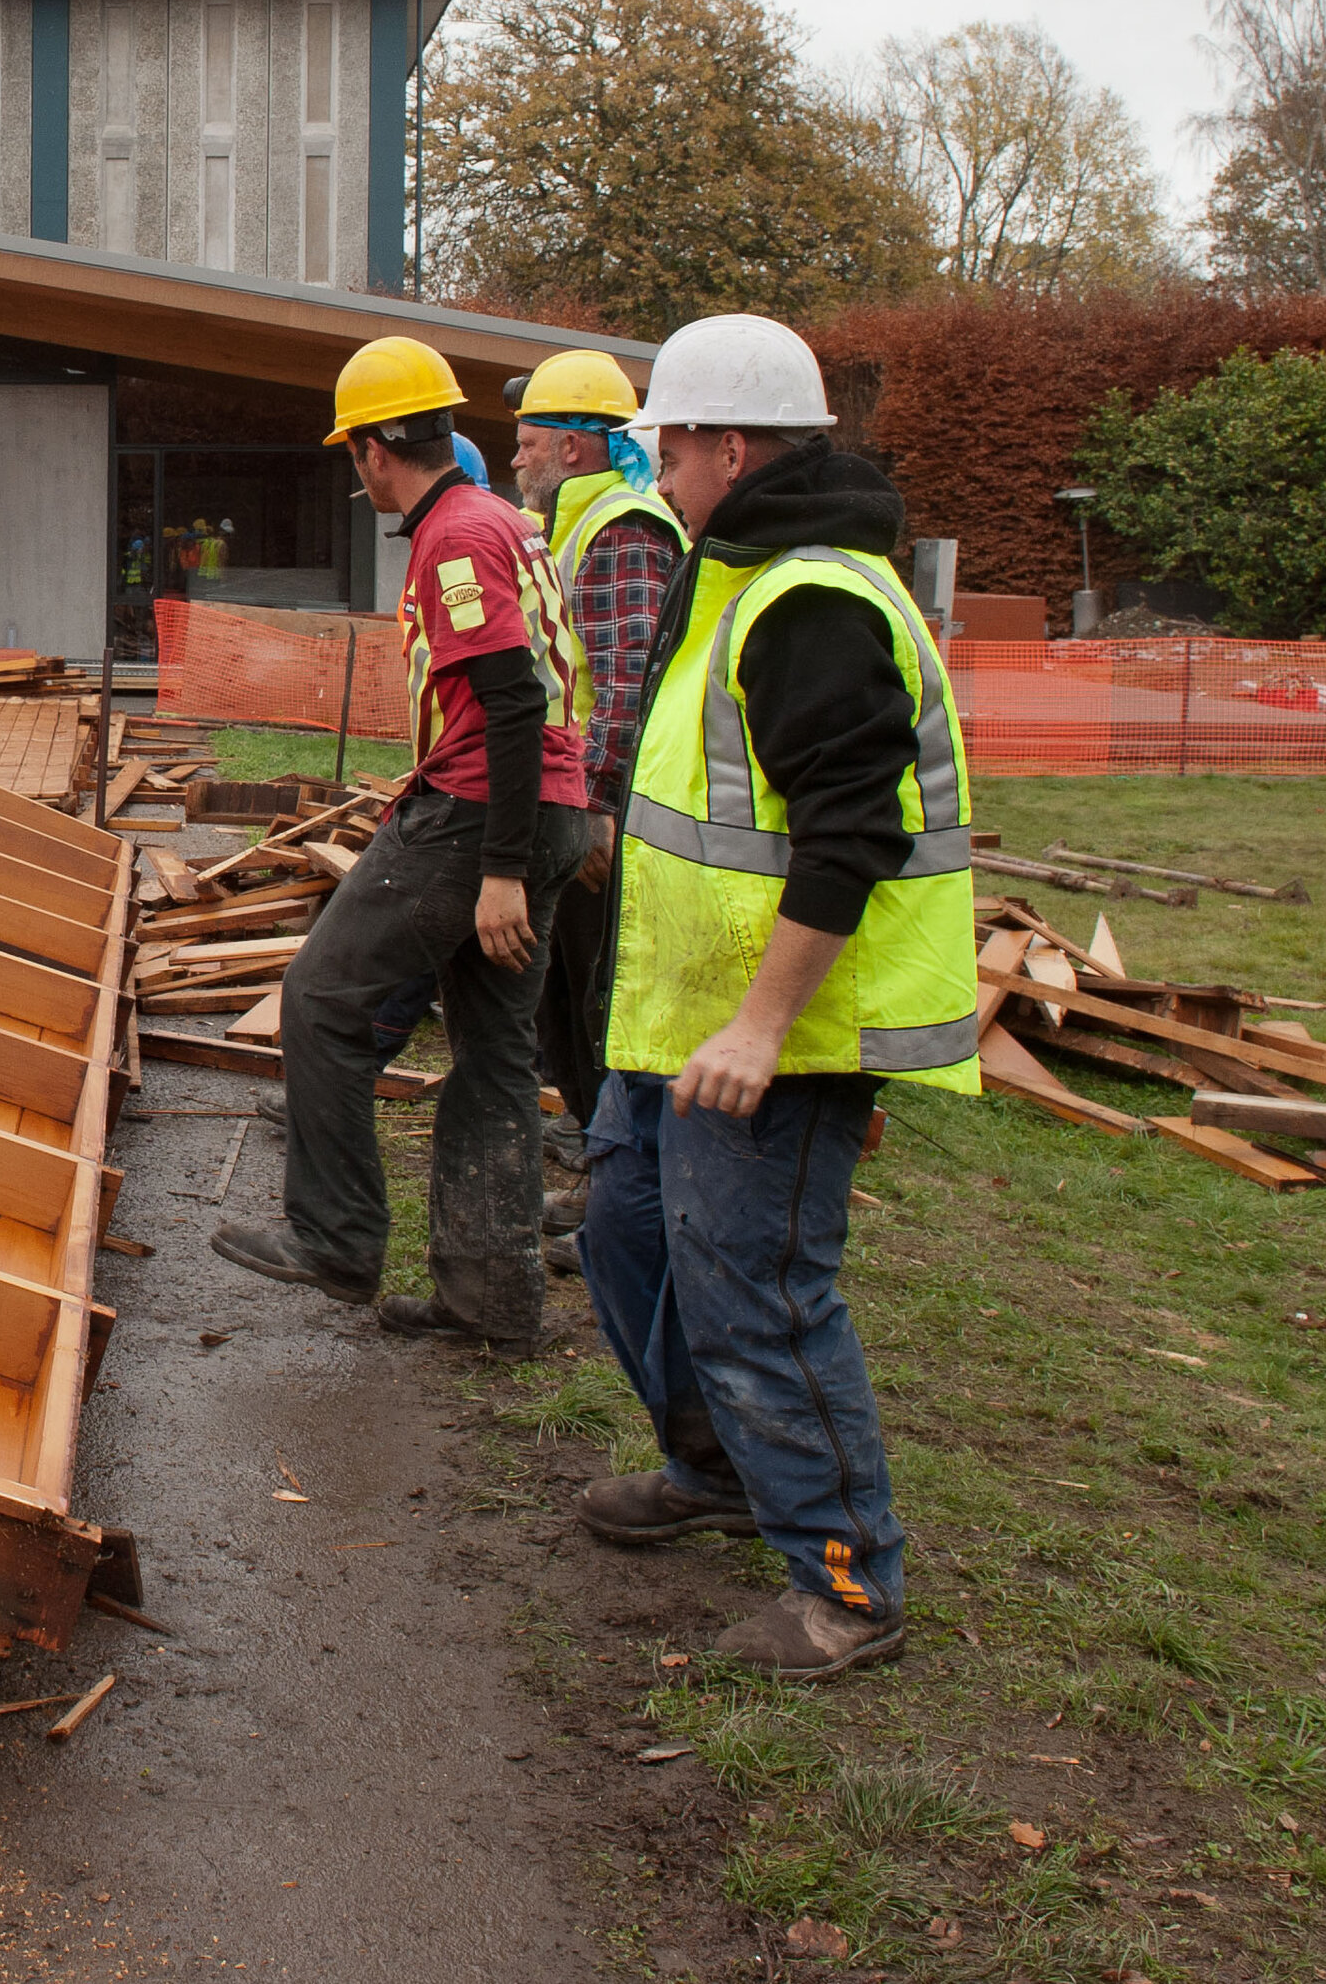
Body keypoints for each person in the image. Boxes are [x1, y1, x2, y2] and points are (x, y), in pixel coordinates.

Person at [572, 313, 978, 1681]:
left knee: (758, 1290)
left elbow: (848, 832)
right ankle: (714, 1465)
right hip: (677, 1021)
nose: (658, 475)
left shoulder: (812, 599)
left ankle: (845, 1582)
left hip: (771, 1035)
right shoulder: (736, 570)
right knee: (626, 1235)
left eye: (668, 448)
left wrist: (757, 1024)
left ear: (728, 447)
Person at [213, 337, 589, 1346]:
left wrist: (501, 869)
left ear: (380, 448)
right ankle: (492, 1301)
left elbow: (512, 697)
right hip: (546, 807)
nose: (356, 470)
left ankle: (334, 1239)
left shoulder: (455, 538)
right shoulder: (505, 521)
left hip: (483, 816)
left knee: (322, 997)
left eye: (353, 451)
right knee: (496, 1054)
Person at [500, 351, 688, 1237]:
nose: (514, 460)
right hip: (574, 802)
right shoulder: (575, 522)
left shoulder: (622, 530)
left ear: (573, 449)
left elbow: (620, 681)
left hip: (601, 815)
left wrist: (595, 807)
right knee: (566, 995)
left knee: (600, 1001)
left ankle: (621, 1202)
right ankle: (603, 1178)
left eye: (528, 442)